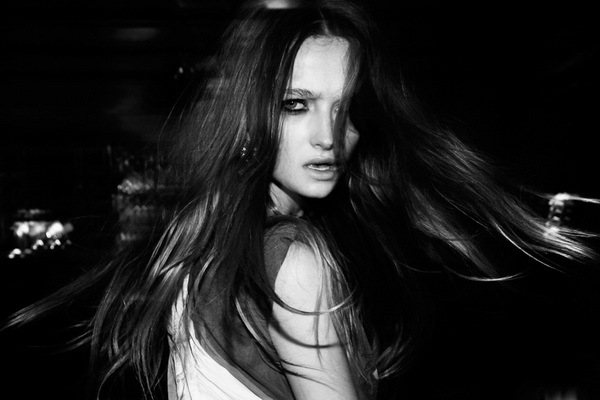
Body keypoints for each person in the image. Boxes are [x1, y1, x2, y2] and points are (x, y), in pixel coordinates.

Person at [3, 0, 598, 399]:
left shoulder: (203, 241)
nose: (328, 136)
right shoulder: (293, 261)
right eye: (297, 104)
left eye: (345, 109)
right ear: (252, 114)